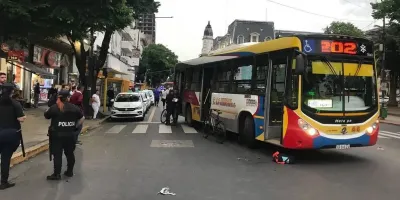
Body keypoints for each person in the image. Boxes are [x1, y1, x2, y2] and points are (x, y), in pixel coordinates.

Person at [44, 90, 84, 180]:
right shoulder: (74, 108)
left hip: (56, 136)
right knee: (70, 154)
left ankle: (57, 174)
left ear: (59, 97)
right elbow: (82, 118)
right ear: (68, 98)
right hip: (70, 135)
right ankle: (69, 172)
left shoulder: (54, 107)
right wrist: (75, 126)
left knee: (57, 155)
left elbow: (46, 116)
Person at [0, 83, 26, 190]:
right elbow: (21, 119)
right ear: (12, 91)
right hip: (11, 135)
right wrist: (24, 117)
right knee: (5, 159)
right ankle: (3, 182)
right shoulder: (15, 104)